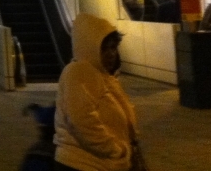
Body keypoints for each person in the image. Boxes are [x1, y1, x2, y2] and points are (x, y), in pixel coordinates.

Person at [54, 14, 144, 171]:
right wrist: (115, 149)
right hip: (82, 163)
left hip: (100, 163)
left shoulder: (102, 75)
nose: (111, 53)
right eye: (104, 48)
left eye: (113, 47)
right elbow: (83, 120)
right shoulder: (79, 71)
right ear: (88, 46)